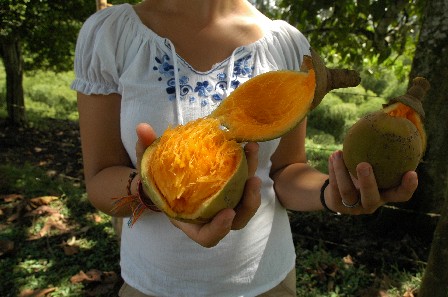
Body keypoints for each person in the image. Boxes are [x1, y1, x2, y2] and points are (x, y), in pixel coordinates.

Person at [71, 1, 418, 296]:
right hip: (152, 285)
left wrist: (334, 192)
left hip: (266, 282)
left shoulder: (286, 43)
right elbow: (100, 178)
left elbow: (286, 171)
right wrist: (149, 189)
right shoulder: (111, 35)